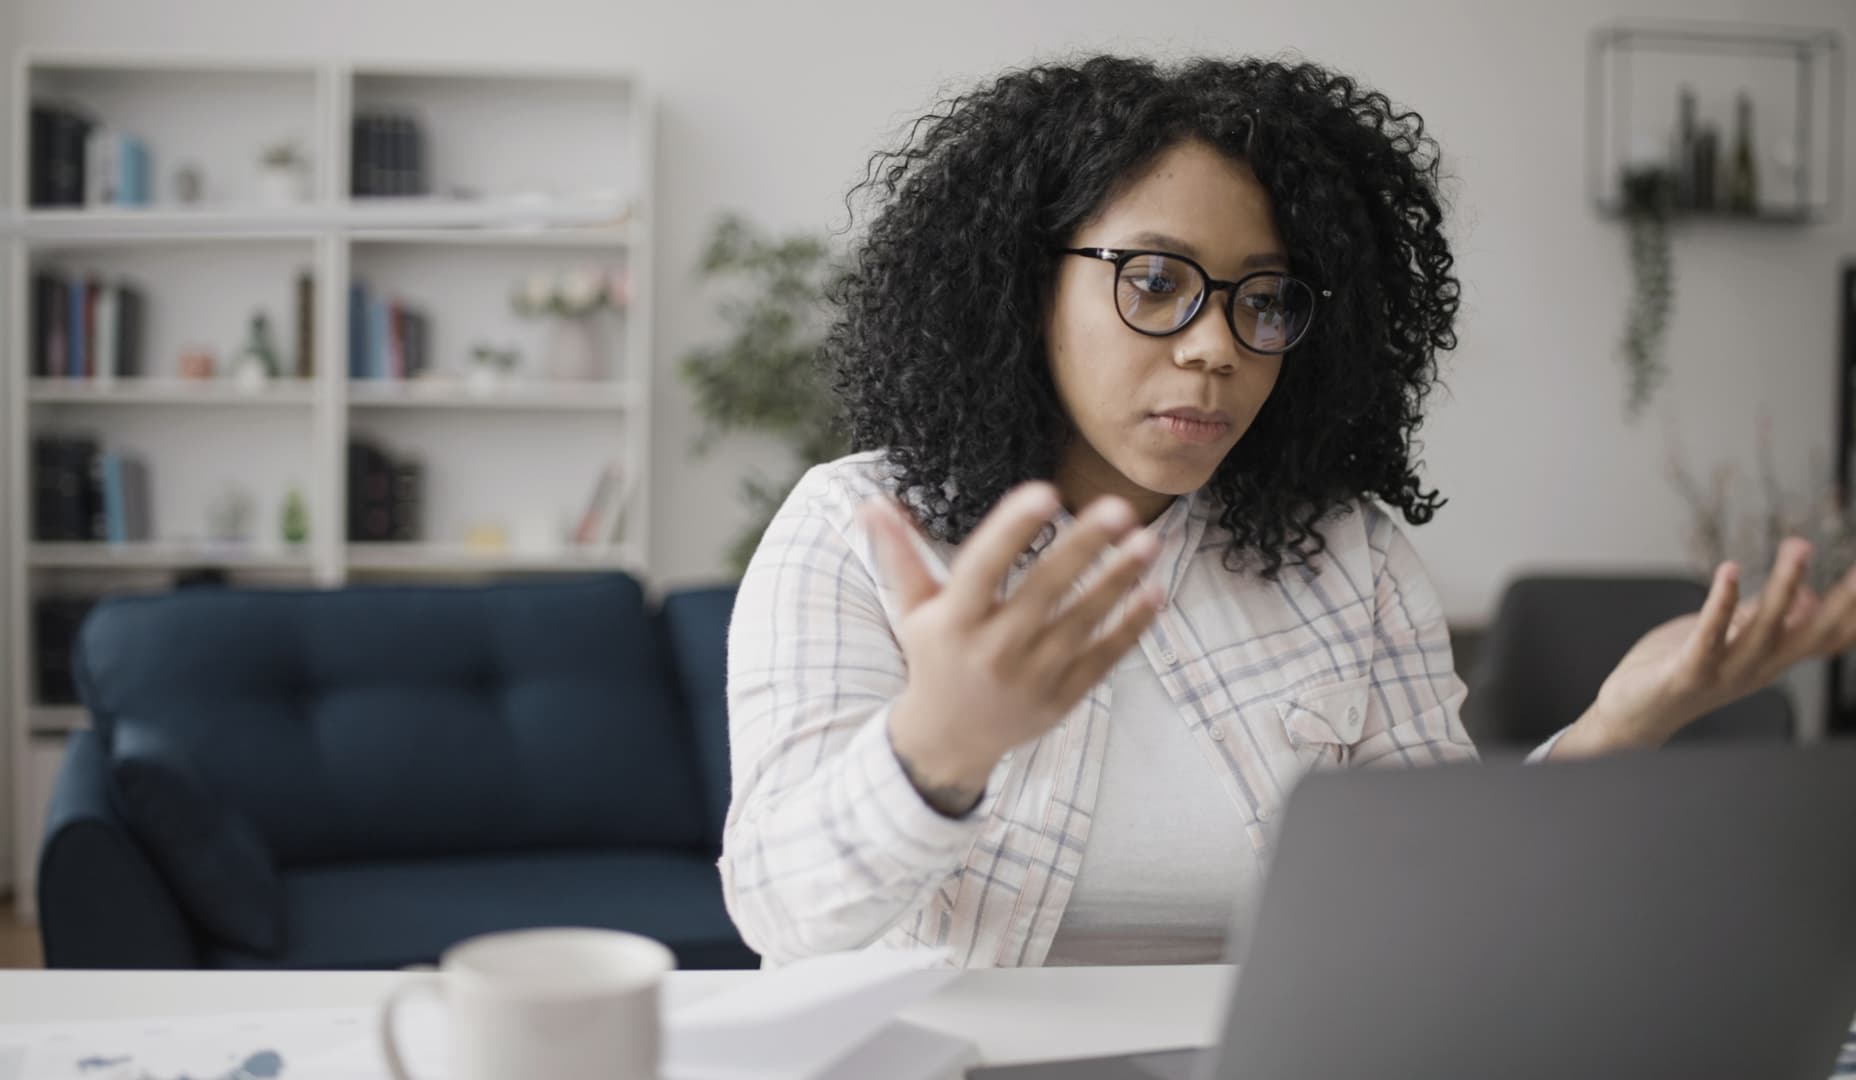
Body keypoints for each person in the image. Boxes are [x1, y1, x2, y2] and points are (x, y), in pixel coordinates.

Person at [716, 54, 1856, 969]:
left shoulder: (1341, 555)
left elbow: (1440, 904)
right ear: (1023, 286)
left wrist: (1620, 722)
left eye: (1263, 301)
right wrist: (941, 745)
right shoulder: (856, 526)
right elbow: (783, 914)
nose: (1218, 346)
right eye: (1155, 283)